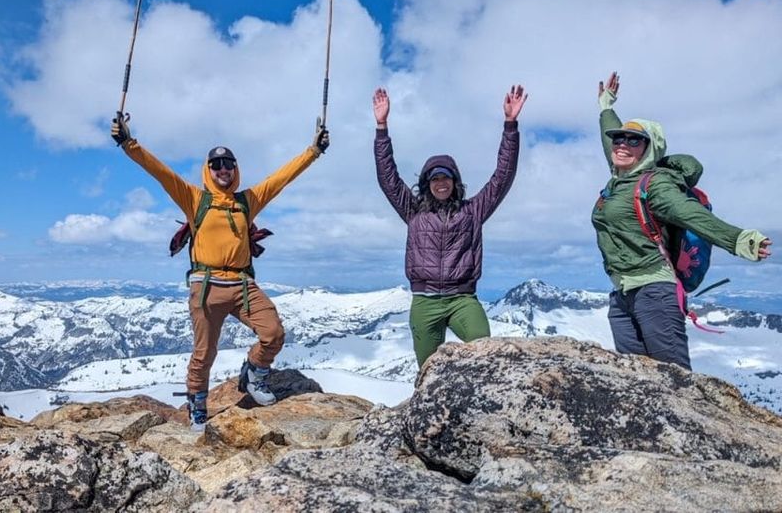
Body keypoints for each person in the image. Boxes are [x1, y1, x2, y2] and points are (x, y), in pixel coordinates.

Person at [111, 115, 330, 431]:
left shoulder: (247, 202)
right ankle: (198, 407)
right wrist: (127, 143)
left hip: (241, 285)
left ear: (236, 169)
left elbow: (281, 178)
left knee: (273, 332)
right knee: (204, 354)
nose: (223, 169)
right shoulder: (195, 199)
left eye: (229, 163)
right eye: (216, 165)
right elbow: (160, 171)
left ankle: (254, 372)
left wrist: (313, 151)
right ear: (208, 170)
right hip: (206, 287)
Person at [592, 72, 772, 370]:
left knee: (674, 382)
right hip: (622, 296)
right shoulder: (620, 178)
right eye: (619, 138)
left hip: (655, 294)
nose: (621, 144)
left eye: (634, 140)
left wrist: (738, 239)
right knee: (636, 380)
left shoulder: (656, 185)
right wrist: (606, 108)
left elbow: (692, 215)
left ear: (650, 150)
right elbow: (609, 139)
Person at [373, 85, 526, 367]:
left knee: (484, 350)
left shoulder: (473, 211)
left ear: (455, 182)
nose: (441, 183)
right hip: (424, 301)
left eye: (446, 178)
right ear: (427, 184)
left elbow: (503, 177)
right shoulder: (413, 211)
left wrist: (510, 125)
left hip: (462, 300)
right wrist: (382, 127)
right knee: (427, 370)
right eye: (434, 179)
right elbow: (388, 177)